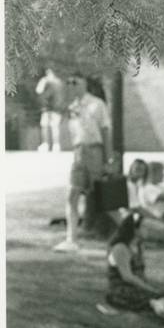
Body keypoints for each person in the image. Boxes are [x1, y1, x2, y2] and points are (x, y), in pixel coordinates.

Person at [53, 73, 114, 252]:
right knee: (72, 194)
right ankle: (71, 239)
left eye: (75, 82)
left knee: (104, 197)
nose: (71, 85)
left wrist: (108, 159)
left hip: (95, 151)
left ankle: (131, 230)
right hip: (79, 153)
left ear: (85, 83)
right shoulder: (72, 107)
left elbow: (105, 131)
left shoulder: (97, 104)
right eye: (69, 82)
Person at [35, 68, 64, 153]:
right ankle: (56, 145)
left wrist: (42, 81)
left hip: (47, 107)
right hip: (57, 108)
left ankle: (45, 144)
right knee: (55, 127)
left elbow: (38, 91)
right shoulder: (59, 82)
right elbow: (62, 95)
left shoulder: (45, 81)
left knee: (44, 126)